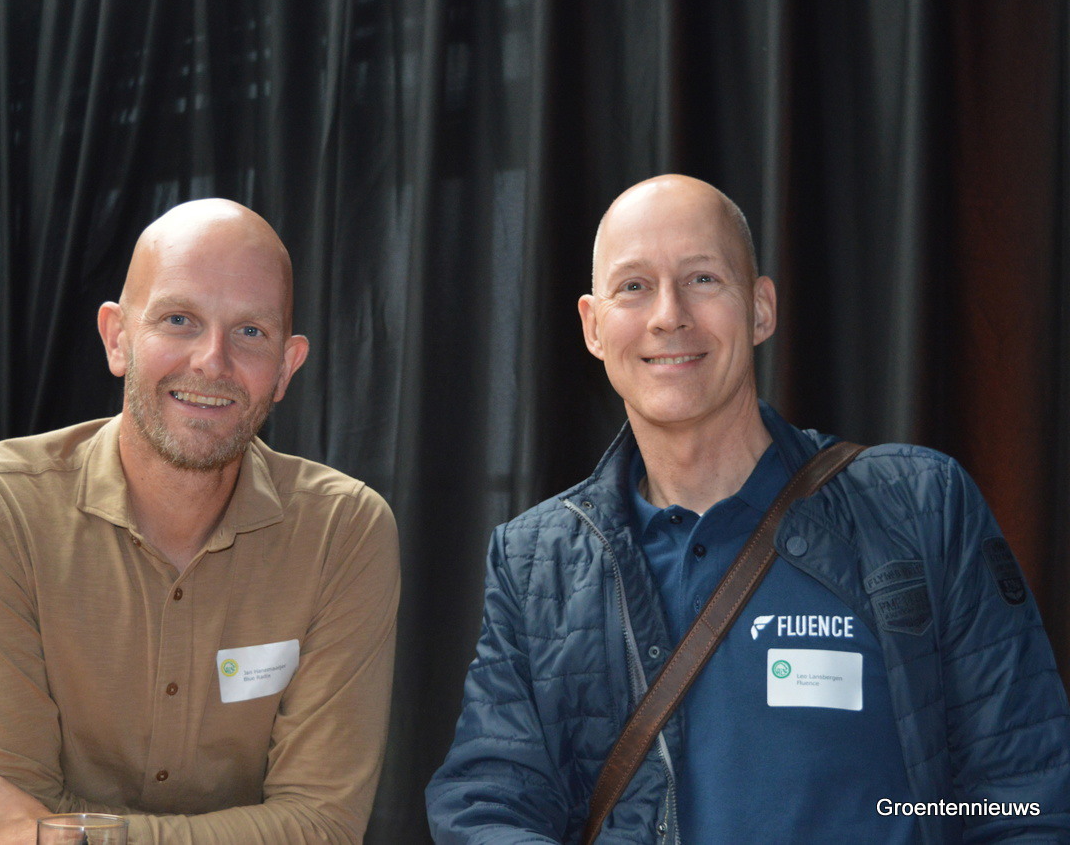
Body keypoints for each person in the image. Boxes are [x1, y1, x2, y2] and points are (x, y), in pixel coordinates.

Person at [425, 174, 1070, 842]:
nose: (669, 315)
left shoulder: (920, 505)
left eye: (702, 279)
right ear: (592, 326)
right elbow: (489, 805)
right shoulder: (536, 560)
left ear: (761, 309)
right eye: (634, 286)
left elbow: (1023, 796)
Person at [0, 199, 400, 844]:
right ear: (117, 337)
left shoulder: (344, 531)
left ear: (286, 367)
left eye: (250, 331)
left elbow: (321, 826)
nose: (212, 361)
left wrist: (72, 836)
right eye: (179, 320)